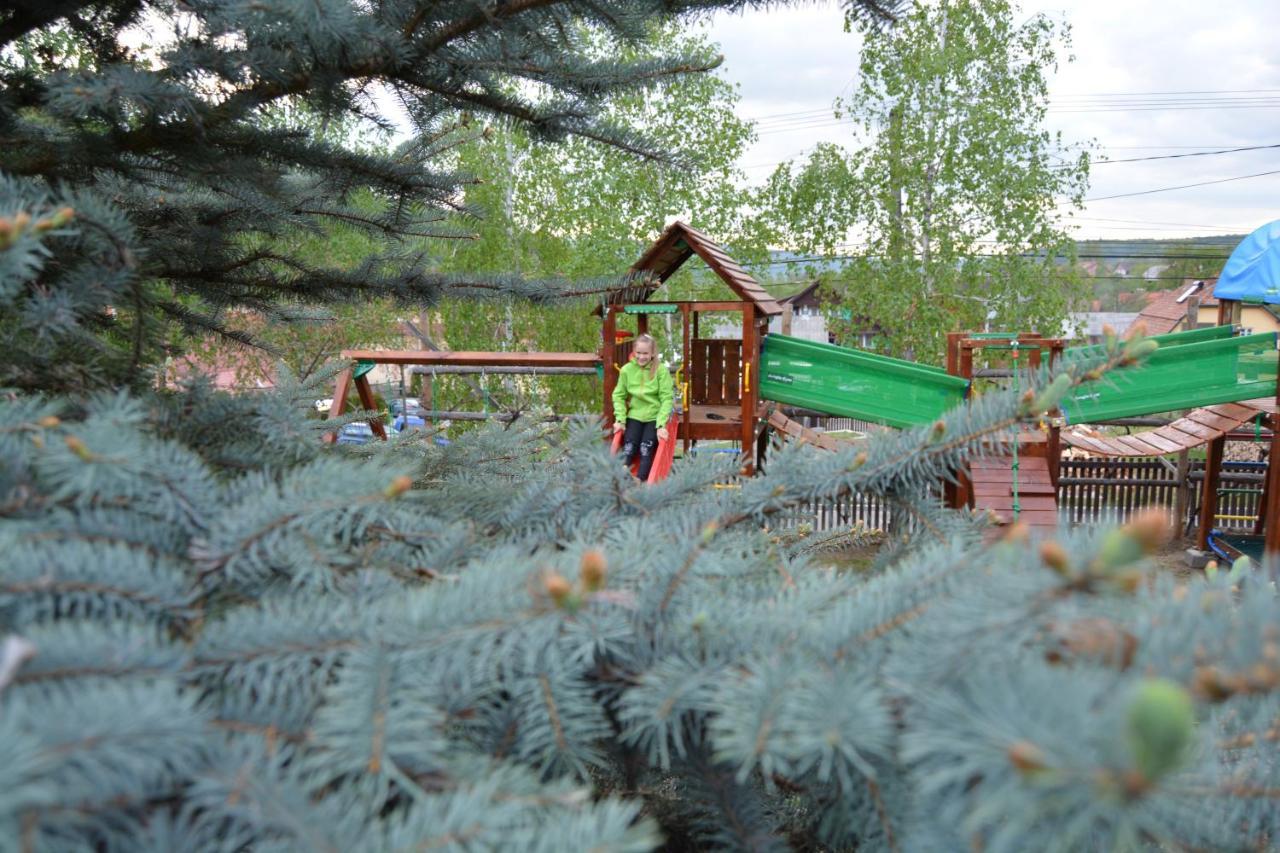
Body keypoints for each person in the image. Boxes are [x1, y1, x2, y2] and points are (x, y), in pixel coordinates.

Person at [612, 333, 674, 481]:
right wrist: (620, 419)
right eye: (638, 353)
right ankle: (621, 477)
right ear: (634, 352)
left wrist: (661, 425)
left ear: (652, 353)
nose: (641, 357)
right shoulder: (627, 370)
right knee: (629, 446)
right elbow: (618, 395)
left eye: (645, 353)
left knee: (646, 448)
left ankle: (640, 480)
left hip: (654, 416)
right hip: (635, 415)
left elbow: (666, 398)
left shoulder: (660, 371)